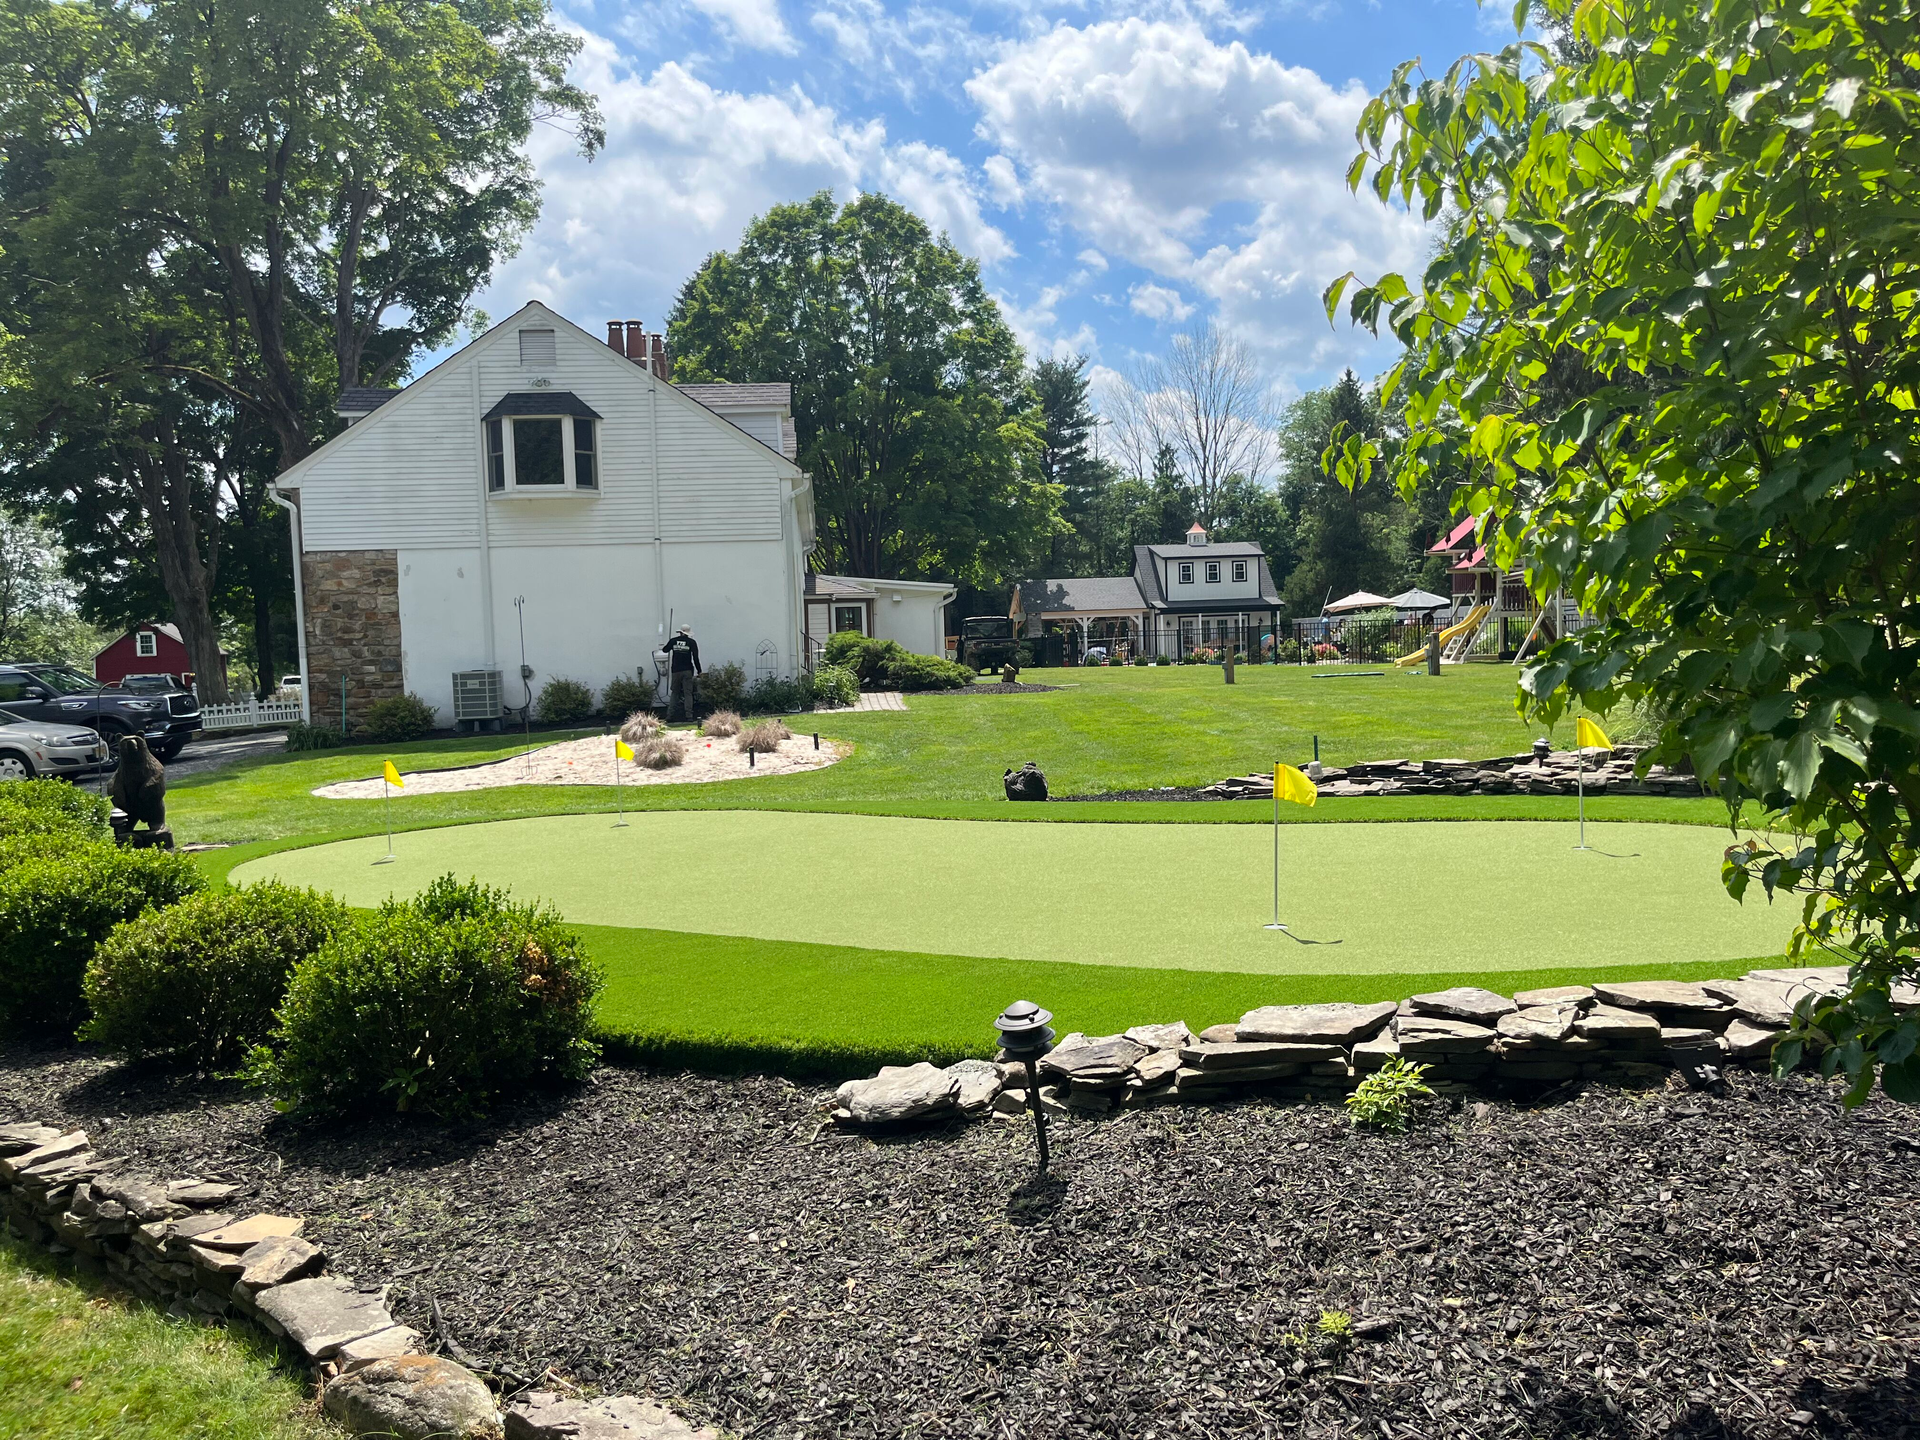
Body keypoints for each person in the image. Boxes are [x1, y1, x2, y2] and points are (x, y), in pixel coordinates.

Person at [664, 625, 701, 721]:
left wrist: (671, 643)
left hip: (676, 670)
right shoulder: (691, 642)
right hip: (687, 670)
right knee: (688, 693)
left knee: (675, 693)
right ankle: (689, 716)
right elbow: (696, 658)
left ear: (680, 632)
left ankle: (669, 715)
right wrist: (699, 670)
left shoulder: (673, 640)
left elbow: (665, 650)